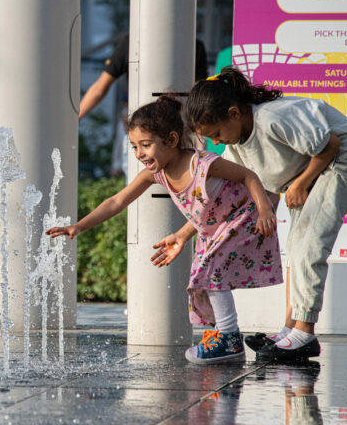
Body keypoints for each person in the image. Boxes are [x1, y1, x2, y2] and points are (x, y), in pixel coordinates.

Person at [47, 96, 282, 364]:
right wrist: (79, 225)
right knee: (199, 280)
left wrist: (265, 209)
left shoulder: (203, 164)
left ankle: (229, 339)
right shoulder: (155, 173)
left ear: (171, 140)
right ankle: (220, 333)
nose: (138, 153)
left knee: (212, 269)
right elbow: (117, 201)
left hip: (245, 215)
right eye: (134, 146)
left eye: (145, 145)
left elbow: (248, 176)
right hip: (215, 227)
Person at [185, 66, 347, 361]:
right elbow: (230, 199)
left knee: (310, 245)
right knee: (297, 247)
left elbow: (331, 145)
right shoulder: (236, 146)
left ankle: (305, 333)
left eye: (217, 133)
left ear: (234, 114)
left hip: (342, 161)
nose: (218, 142)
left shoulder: (271, 118)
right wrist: (187, 232)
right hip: (311, 171)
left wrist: (299, 183)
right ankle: (291, 328)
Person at [78, 34, 208, 120]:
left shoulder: (193, 45)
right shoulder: (131, 42)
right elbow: (100, 88)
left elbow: (198, 93)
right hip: (146, 119)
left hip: (170, 121)